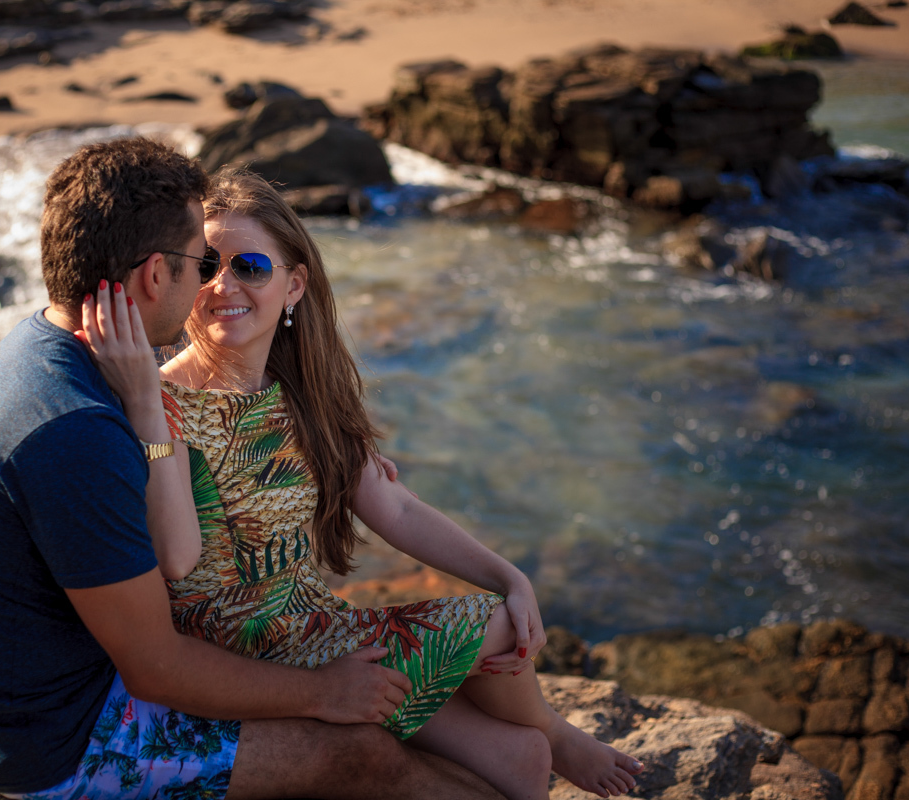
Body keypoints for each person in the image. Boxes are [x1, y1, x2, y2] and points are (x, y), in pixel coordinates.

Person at [0, 137, 515, 800]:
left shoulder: (43, 351)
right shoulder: (78, 431)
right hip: (56, 744)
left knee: (389, 723)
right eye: (200, 264)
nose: (212, 282)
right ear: (154, 277)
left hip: (9, 700)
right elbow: (157, 668)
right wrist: (322, 693)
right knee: (358, 754)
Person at [81, 166, 646, 800]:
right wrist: (147, 410)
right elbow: (179, 558)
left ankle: (551, 733)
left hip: (317, 629)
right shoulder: (161, 403)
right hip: (241, 665)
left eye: (250, 267)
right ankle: (554, 730)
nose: (223, 285)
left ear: (294, 286)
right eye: (205, 265)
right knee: (504, 703)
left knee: (516, 738)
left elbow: (396, 512)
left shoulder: (301, 396)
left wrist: (512, 578)